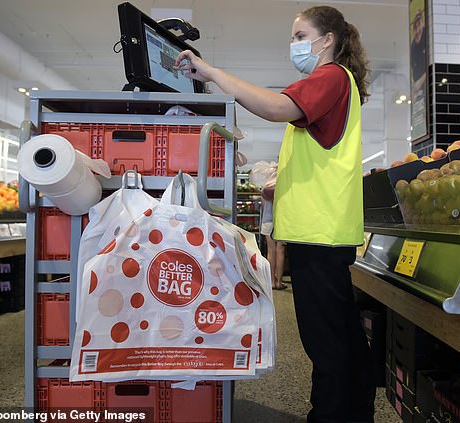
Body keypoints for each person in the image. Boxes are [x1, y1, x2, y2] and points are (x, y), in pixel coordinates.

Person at [176, 6, 375, 422]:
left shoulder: (331, 76)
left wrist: (212, 73)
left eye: (301, 35)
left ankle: (331, 416)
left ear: (328, 40)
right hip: (325, 229)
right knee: (343, 337)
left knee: (326, 344)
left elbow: (275, 107)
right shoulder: (339, 84)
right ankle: (355, 414)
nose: (295, 44)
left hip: (318, 232)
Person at [260, 183, 287, 290]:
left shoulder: (264, 188)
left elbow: (262, 205)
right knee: (280, 250)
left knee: (271, 251)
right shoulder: (283, 187)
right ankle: (279, 282)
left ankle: (271, 282)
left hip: (267, 221)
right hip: (281, 221)